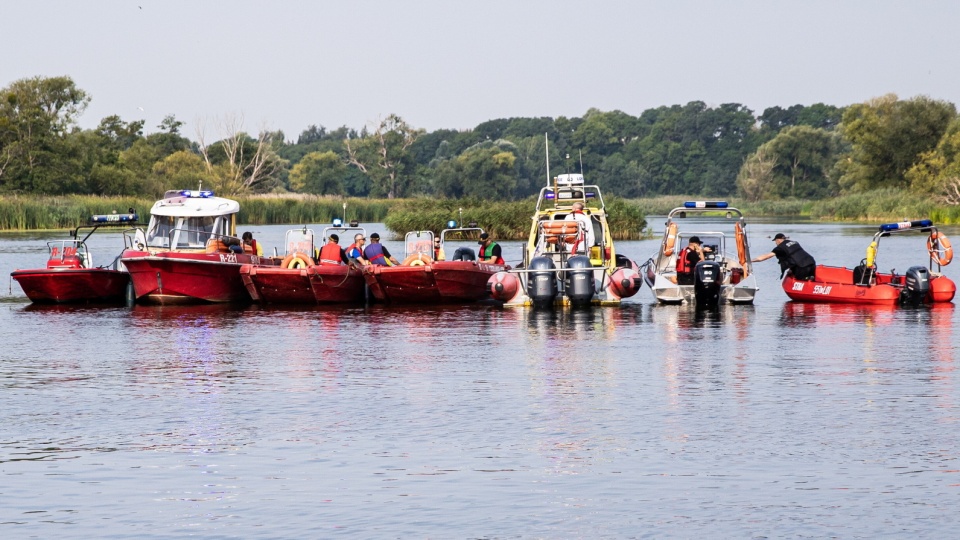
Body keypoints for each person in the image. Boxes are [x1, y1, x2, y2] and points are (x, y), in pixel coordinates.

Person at [753, 233, 817, 280]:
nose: (775, 243)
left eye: (775, 241)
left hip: (802, 267)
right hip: (812, 262)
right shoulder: (794, 242)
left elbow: (766, 256)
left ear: (778, 240)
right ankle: (809, 278)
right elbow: (794, 257)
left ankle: (806, 278)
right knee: (811, 278)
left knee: (800, 279)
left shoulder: (781, 247)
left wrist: (752, 260)